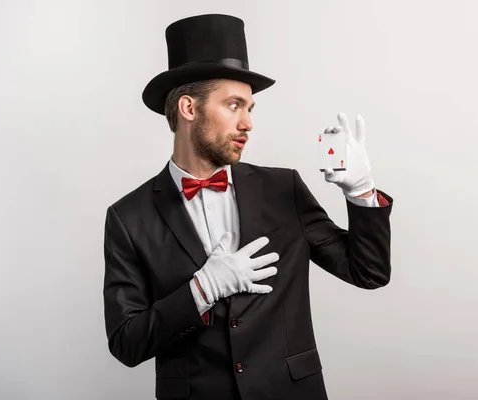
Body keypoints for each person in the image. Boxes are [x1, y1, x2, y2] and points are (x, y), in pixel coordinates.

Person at [103, 13, 393, 400]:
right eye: (234, 105)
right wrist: (201, 290)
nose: (248, 123)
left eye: (250, 108)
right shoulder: (128, 217)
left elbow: (368, 271)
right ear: (189, 109)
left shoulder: (282, 188)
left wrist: (361, 193)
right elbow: (126, 343)